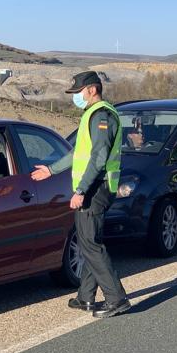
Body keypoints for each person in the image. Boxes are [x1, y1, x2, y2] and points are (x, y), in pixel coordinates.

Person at [31, 71, 130, 318]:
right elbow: (78, 153)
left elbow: (98, 158)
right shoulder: (91, 115)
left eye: (78, 92)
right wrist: (51, 170)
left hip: (95, 188)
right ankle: (85, 297)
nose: (75, 96)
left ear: (92, 90)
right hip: (95, 187)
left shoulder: (102, 115)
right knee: (88, 242)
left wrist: (81, 191)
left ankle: (116, 299)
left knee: (91, 244)